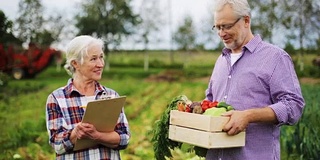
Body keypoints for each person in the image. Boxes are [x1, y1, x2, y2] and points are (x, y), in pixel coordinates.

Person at [205, 0, 305, 159]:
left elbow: (294, 106)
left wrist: (248, 116)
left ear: (246, 20)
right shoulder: (221, 60)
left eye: (227, 26)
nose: (221, 33)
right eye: (218, 27)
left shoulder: (275, 58)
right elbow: (209, 100)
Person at [45, 35, 130, 159]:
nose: (100, 64)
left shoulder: (111, 96)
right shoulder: (57, 99)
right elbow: (56, 144)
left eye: (101, 57)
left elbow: (124, 138)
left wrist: (97, 136)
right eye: (93, 59)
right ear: (75, 63)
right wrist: (75, 134)